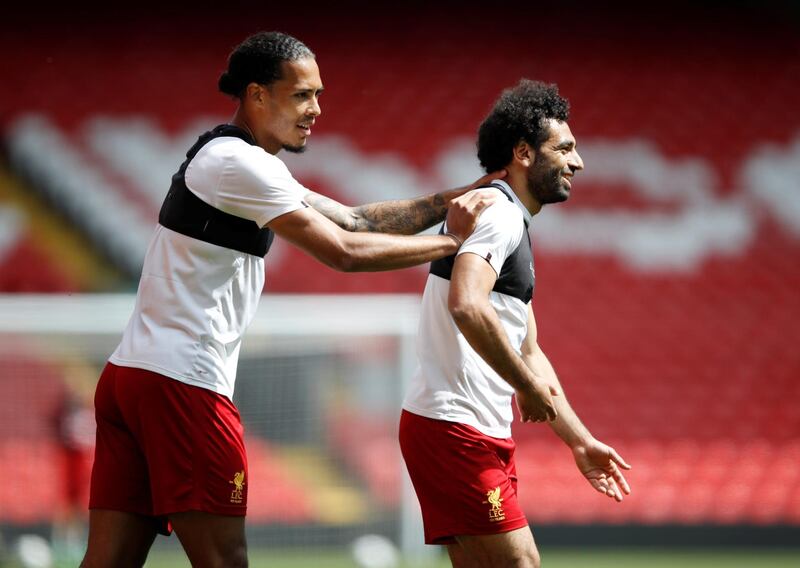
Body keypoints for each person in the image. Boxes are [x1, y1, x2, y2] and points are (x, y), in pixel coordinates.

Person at [80, 31, 500, 568]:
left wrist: (455, 197)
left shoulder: (233, 158)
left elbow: (356, 219)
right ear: (258, 95)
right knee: (226, 560)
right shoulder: (240, 166)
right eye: (303, 95)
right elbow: (344, 250)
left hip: (132, 377)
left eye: (318, 95)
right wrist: (455, 243)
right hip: (181, 384)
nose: (316, 109)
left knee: (108, 561)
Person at [399, 79, 632, 568]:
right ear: (524, 153)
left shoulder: (510, 221)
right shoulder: (500, 215)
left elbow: (531, 352)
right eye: (564, 148)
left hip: (465, 428)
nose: (578, 161)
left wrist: (580, 441)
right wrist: (524, 386)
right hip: (454, 426)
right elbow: (467, 304)